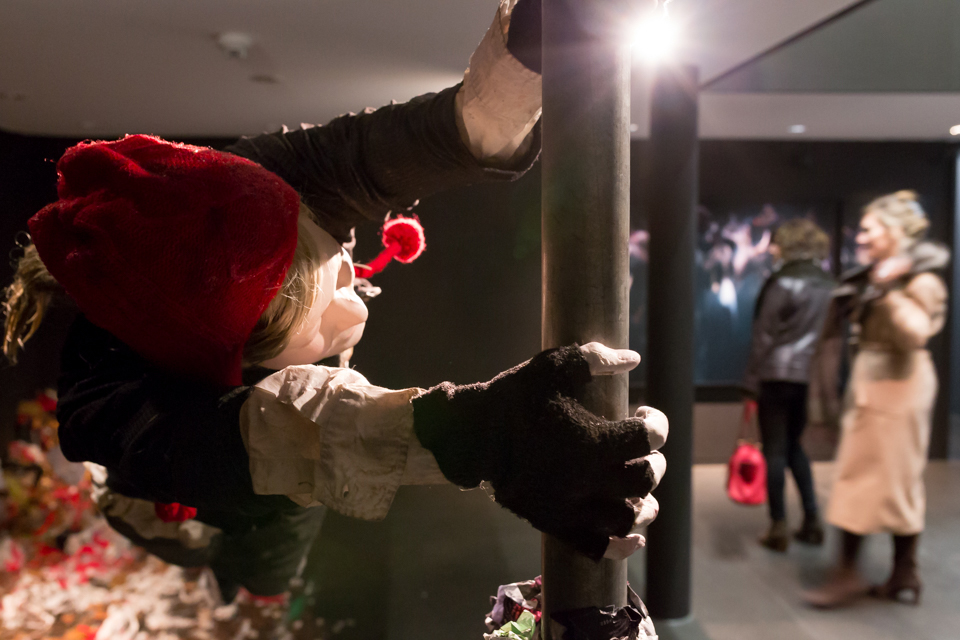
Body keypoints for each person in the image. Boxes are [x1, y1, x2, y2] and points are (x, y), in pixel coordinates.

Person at [1, 0, 667, 606]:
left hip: (276, 450)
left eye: (337, 267)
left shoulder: (250, 189)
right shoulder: (112, 408)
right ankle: (244, 582)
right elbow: (281, 434)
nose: (353, 309)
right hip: (186, 499)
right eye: (318, 322)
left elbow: (434, 134)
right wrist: (482, 435)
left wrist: (527, 55)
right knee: (258, 569)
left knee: (285, 542)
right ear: (241, 352)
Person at [805, 190, 949, 607]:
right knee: (887, 482)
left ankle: (849, 573)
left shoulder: (921, 281)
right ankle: (904, 573)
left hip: (898, 387)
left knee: (869, 481)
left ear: (895, 231)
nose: (862, 236)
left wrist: (888, 291)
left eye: (870, 229)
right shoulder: (878, 276)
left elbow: (915, 333)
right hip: (878, 384)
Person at [742, 218, 834, 552]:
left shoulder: (781, 281)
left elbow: (764, 336)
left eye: (777, 243)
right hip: (809, 378)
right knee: (795, 446)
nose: (772, 249)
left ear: (791, 245)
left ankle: (778, 526)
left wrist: (750, 383)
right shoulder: (829, 284)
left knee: (776, 451)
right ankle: (812, 520)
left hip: (775, 375)